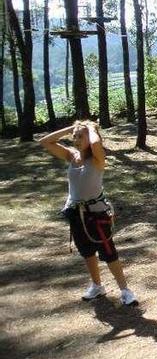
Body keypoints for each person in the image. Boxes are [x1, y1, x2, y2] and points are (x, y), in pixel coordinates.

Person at [38, 121, 138, 306]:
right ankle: (97, 286)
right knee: (87, 251)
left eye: (80, 136)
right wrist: (71, 129)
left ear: (91, 136)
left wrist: (91, 128)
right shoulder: (71, 156)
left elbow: (96, 145)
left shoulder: (98, 158)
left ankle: (125, 290)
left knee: (108, 252)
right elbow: (45, 141)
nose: (76, 140)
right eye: (74, 137)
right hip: (75, 211)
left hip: (97, 213)